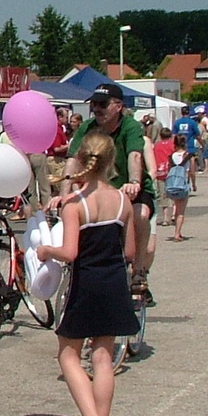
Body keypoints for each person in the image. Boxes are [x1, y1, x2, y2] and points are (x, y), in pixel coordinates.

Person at [37, 133, 137, 416]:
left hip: (87, 282)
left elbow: (69, 252)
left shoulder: (75, 203)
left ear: (80, 159)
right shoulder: (124, 202)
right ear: (112, 163)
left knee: (68, 354)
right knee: (103, 357)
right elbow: (131, 251)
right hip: (114, 282)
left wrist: (46, 250)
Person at [64, 83, 155, 305]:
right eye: (93, 104)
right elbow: (72, 160)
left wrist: (134, 182)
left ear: (118, 106)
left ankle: (139, 270)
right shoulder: (87, 128)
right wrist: (64, 194)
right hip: (99, 190)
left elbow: (135, 155)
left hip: (128, 190)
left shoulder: (130, 127)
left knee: (140, 214)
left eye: (102, 104)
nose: (96, 108)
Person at [163, 133, 193, 242]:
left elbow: (169, 170)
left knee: (176, 207)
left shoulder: (171, 157)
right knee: (181, 212)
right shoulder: (188, 156)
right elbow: (191, 172)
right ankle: (177, 233)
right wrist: (193, 184)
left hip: (172, 185)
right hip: (182, 185)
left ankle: (175, 229)